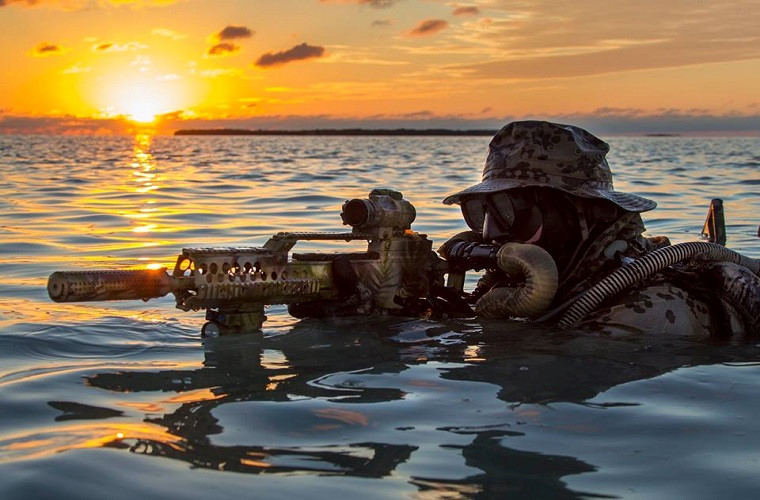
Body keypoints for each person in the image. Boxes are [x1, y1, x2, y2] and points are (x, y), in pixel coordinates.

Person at [439, 120, 759, 337]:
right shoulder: (569, 277)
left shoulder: (644, 312)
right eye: (481, 211)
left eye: (511, 210)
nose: (492, 232)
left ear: (581, 212)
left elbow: (555, 374)